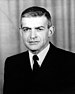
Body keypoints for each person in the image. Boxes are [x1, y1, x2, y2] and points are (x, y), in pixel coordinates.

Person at [3, 6, 75, 94]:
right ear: (21, 32)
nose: (32, 36)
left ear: (50, 31)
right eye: (27, 29)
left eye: (39, 29)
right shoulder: (12, 63)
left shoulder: (71, 62)